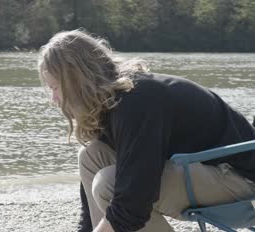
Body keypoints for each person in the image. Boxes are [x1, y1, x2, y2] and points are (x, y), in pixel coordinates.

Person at [37, 29, 255, 232]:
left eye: (56, 88)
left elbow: (133, 202)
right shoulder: (112, 100)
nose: (53, 99)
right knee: (91, 155)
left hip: (240, 180)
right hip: (204, 170)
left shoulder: (136, 102)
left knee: (109, 184)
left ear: (78, 81)